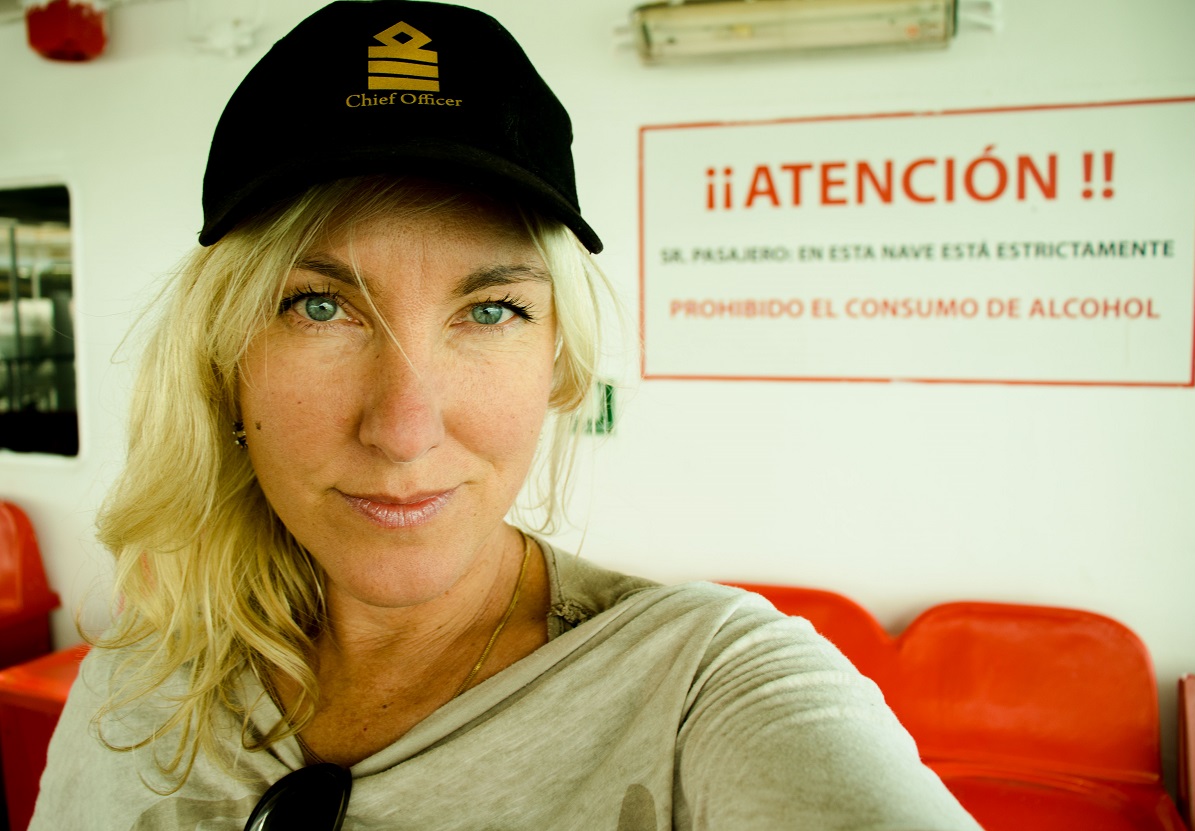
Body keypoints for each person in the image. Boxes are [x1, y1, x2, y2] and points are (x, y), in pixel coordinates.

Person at [31, 2, 983, 829]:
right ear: (223, 361)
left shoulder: (702, 685)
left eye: (491, 311)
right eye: (320, 306)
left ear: (559, 362)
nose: (404, 428)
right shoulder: (136, 679)